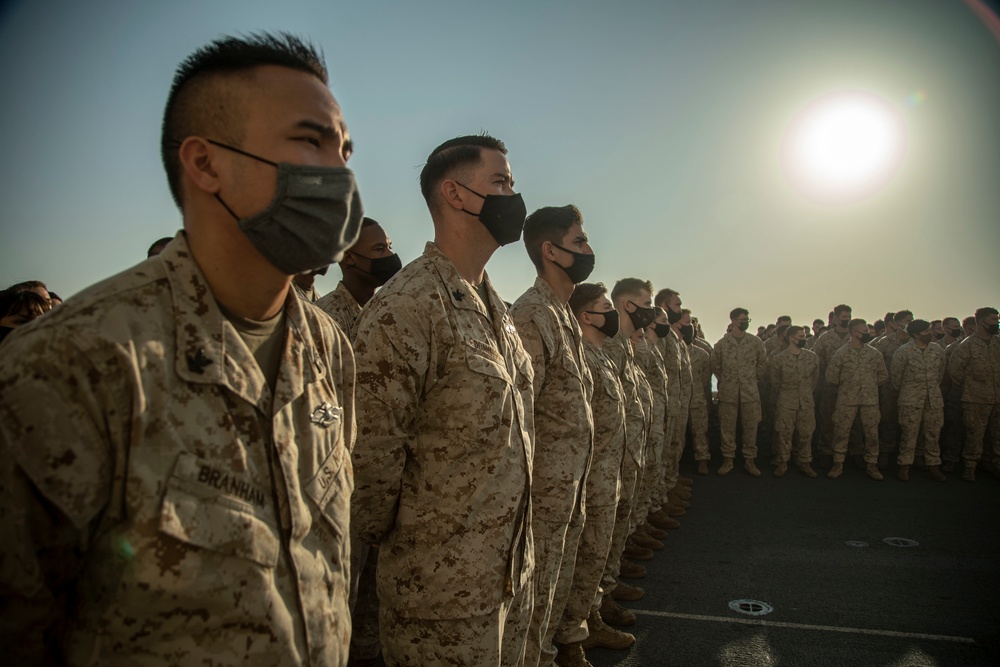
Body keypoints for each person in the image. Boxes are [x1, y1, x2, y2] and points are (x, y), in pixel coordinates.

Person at [0, 32, 361, 665]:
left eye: (346, 148)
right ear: (205, 163)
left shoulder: (327, 349)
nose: (340, 171)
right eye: (310, 141)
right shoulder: (73, 364)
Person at [349, 134, 534, 667]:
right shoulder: (406, 307)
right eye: (500, 182)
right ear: (455, 195)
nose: (511, 197)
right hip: (439, 599)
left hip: (507, 577)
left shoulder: (492, 304)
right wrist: (421, 556)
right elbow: (370, 467)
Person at [509, 204, 595, 667]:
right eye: (579, 242)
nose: (588, 250)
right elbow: (522, 414)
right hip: (543, 488)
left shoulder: (561, 313)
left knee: (555, 583)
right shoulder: (531, 314)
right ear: (551, 251)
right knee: (533, 592)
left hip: (570, 482)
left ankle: (544, 654)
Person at [560, 282, 634, 662]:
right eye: (606, 307)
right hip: (589, 480)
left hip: (609, 474)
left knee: (596, 557)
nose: (613, 314)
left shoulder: (602, 355)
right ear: (586, 316)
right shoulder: (582, 358)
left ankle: (590, 618)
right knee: (584, 559)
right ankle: (573, 637)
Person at [315, 217, 400, 341]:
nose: (390, 255)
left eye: (389, 247)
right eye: (380, 249)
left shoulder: (395, 308)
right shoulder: (325, 318)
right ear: (349, 258)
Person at [825, 319, 889, 480]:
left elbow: (883, 375)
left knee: (872, 433)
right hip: (847, 399)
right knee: (841, 431)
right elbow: (831, 377)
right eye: (864, 331)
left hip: (870, 400)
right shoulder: (841, 353)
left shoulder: (874, 353)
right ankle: (838, 463)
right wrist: (849, 385)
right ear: (854, 333)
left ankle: (872, 465)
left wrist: (869, 385)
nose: (867, 334)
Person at [711, 307, 767, 476]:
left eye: (747, 320)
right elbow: (716, 367)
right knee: (727, 428)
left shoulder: (755, 342)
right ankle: (728, 460)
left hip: (749, 392)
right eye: (742, 320)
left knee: (751, 427)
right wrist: (728, 380)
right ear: (733, 321)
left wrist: (750, 380)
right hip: (729, 392)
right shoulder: (722, 344)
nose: (745, 323)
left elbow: (762, 365)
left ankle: (750, 461)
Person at [890, 320, 947, 481]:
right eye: (925, 331)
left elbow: (940, 374)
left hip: (933, 399)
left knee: (933, 434)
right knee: (909, 433)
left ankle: (933, 466)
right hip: (910, 399)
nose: (930, 333)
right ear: (915, 334)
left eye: (929, 330)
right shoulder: (903, 352)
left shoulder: (937, 350)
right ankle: (904, 466)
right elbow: (896, 378)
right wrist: (911, 390)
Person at [948, 307, 1000, 482]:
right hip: (975, 399)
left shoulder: (998, 343)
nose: (996, 323)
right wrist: (972, 385)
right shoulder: (967, 345)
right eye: (993, 320)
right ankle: (970, 466)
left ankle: (994, 464)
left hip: (997, 398)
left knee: (997, 435)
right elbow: (955, 372)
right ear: (981, 322)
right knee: (974, 434)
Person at [768, 326, 819, 477]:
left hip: (806, 401)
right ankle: (782, 462)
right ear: (791, 338)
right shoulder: (779, 359)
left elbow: (815, 380)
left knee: (806, 433)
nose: (804, 339)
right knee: (784, 433)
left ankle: (804, 462)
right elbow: (775, 381)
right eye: (800, 336)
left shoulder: (812, 357)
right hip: (786, 401)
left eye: (804, 336)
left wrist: (806, 392)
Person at [812, 304, 853, 463]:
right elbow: (817, 362)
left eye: (849, 317)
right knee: (827, 419)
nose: (847, 320)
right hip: (829, 386)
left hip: (851, 387)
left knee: (851, 421)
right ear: (835, 319)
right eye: (844, 318)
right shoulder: (825, 338)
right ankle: (826, 450)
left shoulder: (853, 336)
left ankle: (852, 451)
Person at [875, 309, 913, 468]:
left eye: (912, 320)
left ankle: (911, 456)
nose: (910, 324)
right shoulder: (884, 343)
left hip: (912, 390)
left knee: (911, 424)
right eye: (907, 321)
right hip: (889, 390)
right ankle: (884, 453)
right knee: (888, 421)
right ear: (897, 324)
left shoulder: (916, 342)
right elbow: (876, 368)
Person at [686, 316, 713, 474]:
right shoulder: (673, 351)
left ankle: (703, 460)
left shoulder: (703, 354)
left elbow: (706, 378)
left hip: (697, 398)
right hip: (678, 399)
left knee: (700, 431)